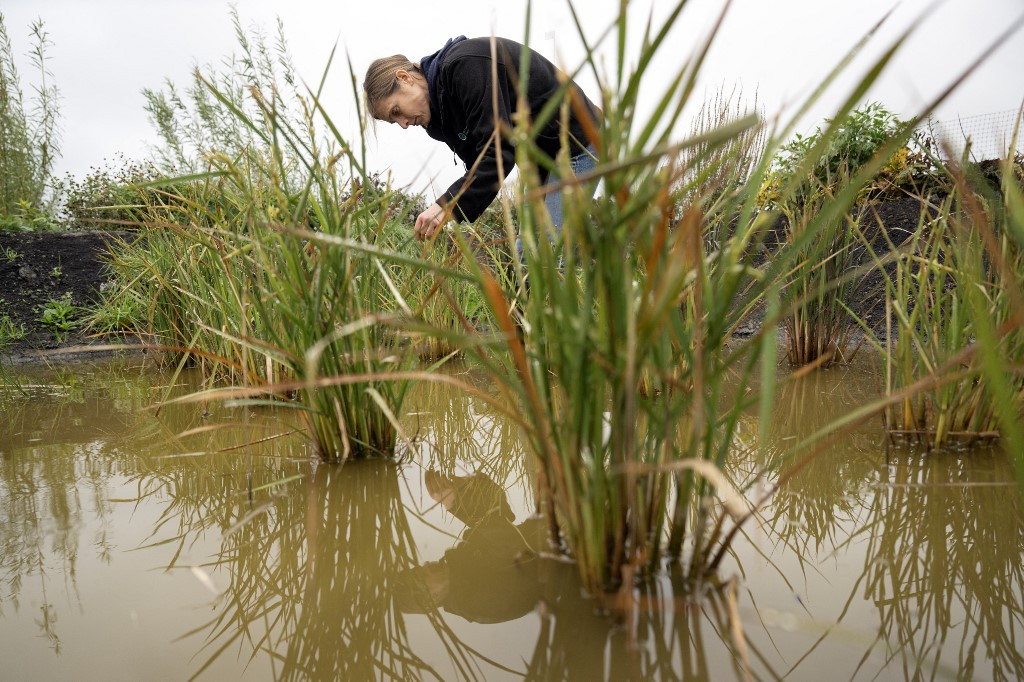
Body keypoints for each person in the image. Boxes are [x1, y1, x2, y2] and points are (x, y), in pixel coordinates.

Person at [363, 36, 601, 245]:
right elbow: (481, 162)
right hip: (541, 161)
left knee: (548, 250)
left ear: (404, 78)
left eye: (396, 111)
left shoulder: (464, 66)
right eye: (394, 122)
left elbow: (497, 155)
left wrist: (445, 206)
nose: (403, 124)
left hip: (577, 142)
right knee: (527, 258)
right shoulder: (439, 118)